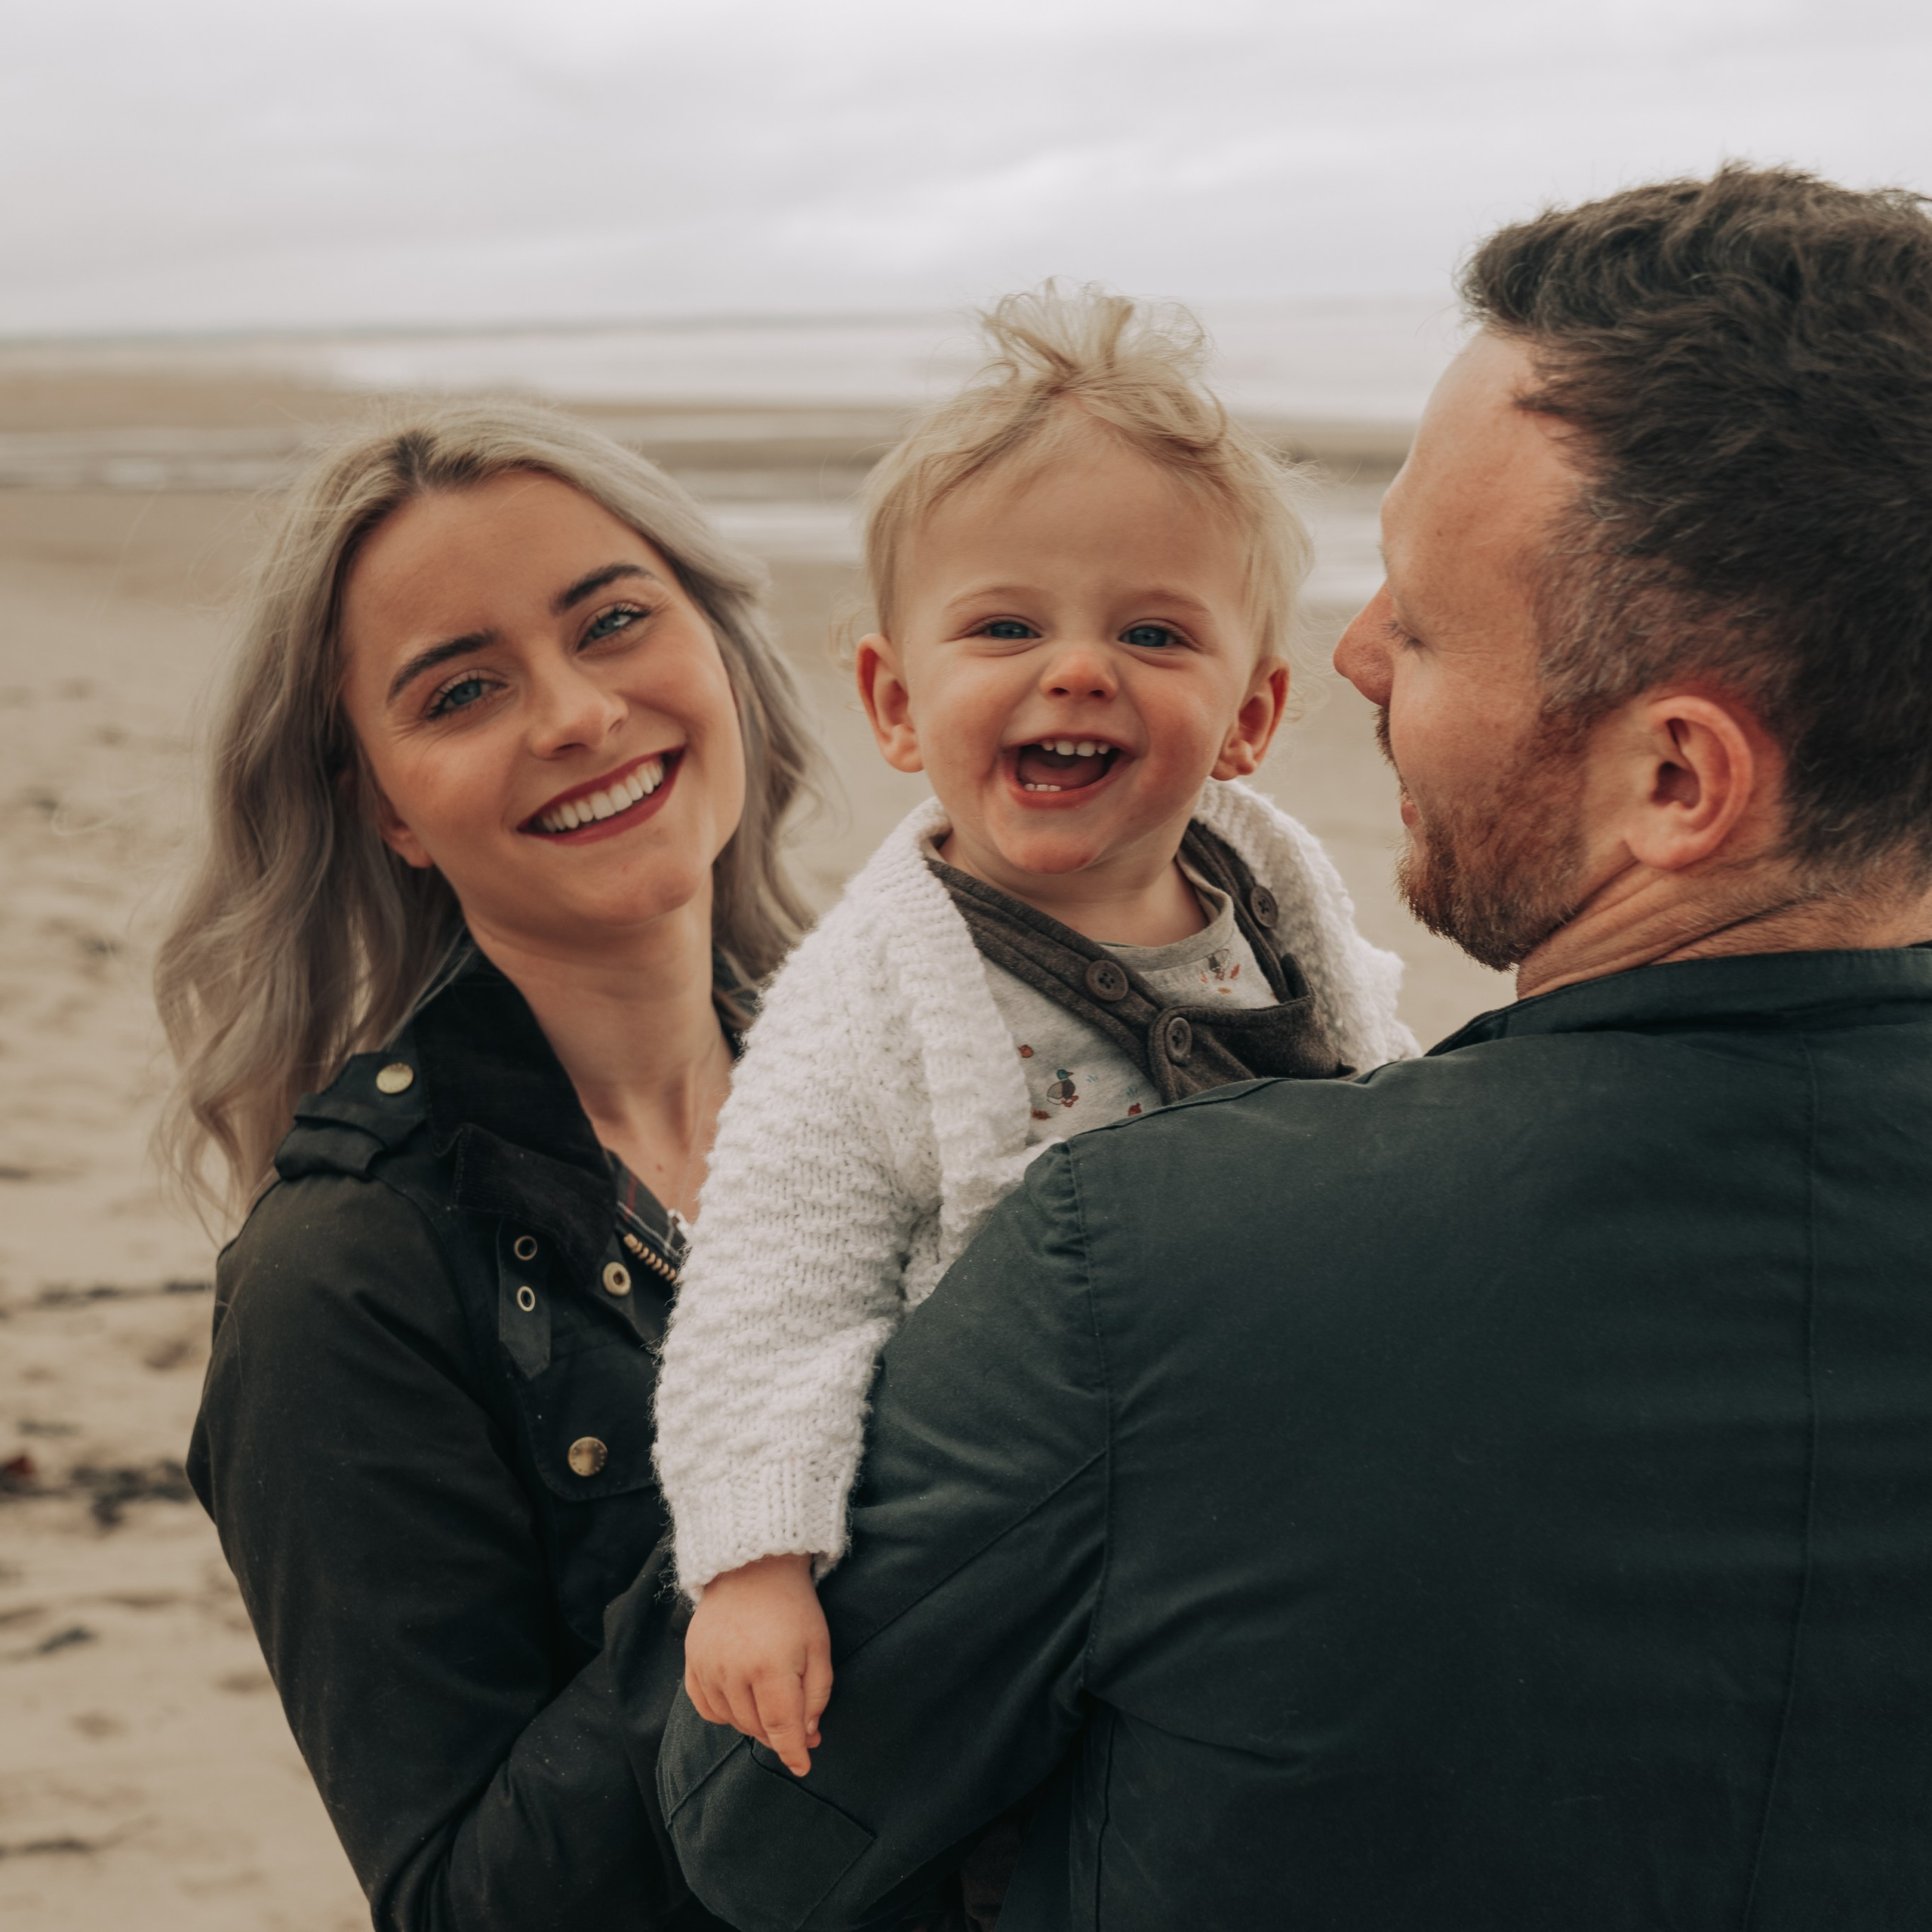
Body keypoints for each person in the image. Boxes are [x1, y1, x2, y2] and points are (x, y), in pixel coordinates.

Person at [657, 166, 1932, 1930]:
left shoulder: (1143, 1268)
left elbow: (760, 1829)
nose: (1352, 656)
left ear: (1672, 778)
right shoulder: (914, 1008)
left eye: (1422, 617)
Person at [651, 288, 1414, 1800]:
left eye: (1152, 632)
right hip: (1037, 1519)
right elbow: (771, 1286)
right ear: (894, 699)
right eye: (1005, 626)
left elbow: (1381, 1106)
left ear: (1251, 715)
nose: (1075, 669)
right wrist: (753, 1562)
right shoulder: (869, 992)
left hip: (1275, 1473)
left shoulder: (1282, 905)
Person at [162, 401, 817, 1929]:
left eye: (614, 622)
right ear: (384, 808)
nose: (576, 714)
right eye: (461, 690)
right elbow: (468, 1902)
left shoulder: (893, 1084)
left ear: (716, 648)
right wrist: (804, 1508)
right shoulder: (339, 1281)